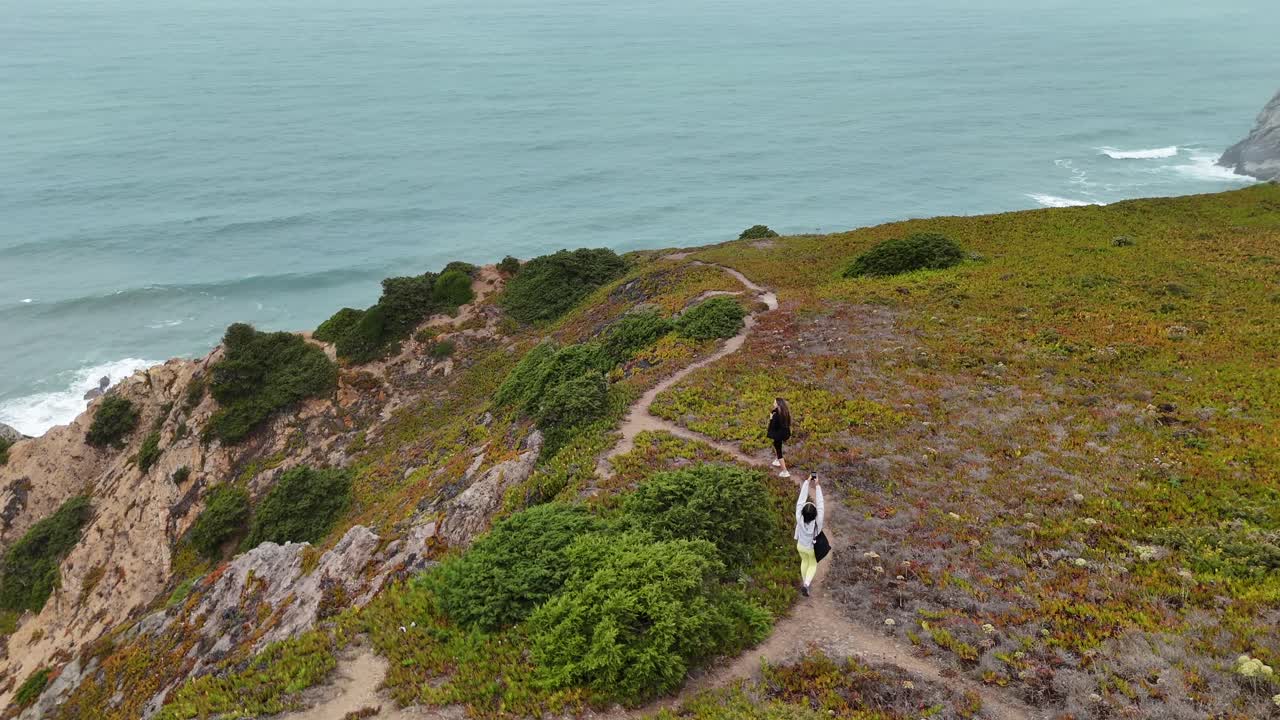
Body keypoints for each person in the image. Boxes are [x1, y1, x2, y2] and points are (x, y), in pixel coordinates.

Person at [794, 473, 824, 597]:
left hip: (800, 545)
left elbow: (801, 500)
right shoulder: (818, 520)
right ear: (815, 513)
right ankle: (806, 584)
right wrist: (817, 485)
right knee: (812, 564)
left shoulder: (799, 516)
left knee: (804, 561)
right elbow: (821, 503)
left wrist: (807, 482)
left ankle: (805, 581)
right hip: (812, 548)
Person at [767, 398, 792, 478]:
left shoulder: (776, 415)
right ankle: (777, 460)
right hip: (784, 434)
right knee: (776, 445)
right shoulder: (785, 412)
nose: (773, 403)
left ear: (778, 404)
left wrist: (771, 418)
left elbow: (773, 427)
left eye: (774, 402)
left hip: (778, 435)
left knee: (778, 450)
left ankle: (785, 471)